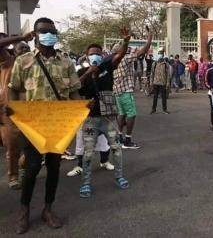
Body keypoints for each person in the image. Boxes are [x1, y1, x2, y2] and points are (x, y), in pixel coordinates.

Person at [8, 17, 82, 234]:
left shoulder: (67, 62)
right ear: (35, 34)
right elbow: (13, 88)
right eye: (44, 31)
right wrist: (15, 111)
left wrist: (82, 108)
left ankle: (48, 209)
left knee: (54, 168)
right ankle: (24, 211)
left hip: (59, 124)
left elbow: (75, 91)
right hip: (34, 123)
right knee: (31, 169)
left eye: (52, 30)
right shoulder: (24, 61)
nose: (48, 34)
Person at [78, 27, 131, 198]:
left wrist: (126, 41)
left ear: (102, 55)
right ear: (86, 56)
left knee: (116, 148)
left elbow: (120, 55)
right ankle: (86, 183)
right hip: (90, 120)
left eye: (98, 53)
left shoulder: (107, 66)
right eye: (92, 53)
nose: (95, 56)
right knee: (87, 153)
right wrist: (88, 73)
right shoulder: (80, 72)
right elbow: (74, 87)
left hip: (108, 119)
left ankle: (119, 176)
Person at [0, 33, 31, 190]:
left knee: (33, 145)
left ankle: (23, 166)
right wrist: (21, 37)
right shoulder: (9, 62)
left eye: (27, 47)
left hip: (32, 112)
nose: (25, 49)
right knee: (12, 146)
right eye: (21, 47)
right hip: (11, 112)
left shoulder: (35, 63)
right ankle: (13, 176)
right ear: (14, 50)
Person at [113, 27, 152, 149]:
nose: (126, 48)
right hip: (126, 91)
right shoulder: (124, 58)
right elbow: (143, 50)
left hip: (117, 91)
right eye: (122, 46)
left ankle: (119, 137)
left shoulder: (113, 61)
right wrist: (149, 38)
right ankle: (127, 140)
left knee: (121, 113)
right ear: (118, 50)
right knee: (131, 114)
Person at [150, 48, 170, 114]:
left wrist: (167, 83)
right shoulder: (154, 64)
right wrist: (151, 82)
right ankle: (153, 109)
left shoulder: (166, 64)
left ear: (163, 55)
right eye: (159, 53)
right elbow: (152, 73)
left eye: (162, 53)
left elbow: (168, 74)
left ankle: (164, 109)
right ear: (157, 54)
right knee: (155, 96)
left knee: (164, 97)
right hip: (155, 82)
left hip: (163, 82)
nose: (160, 55)